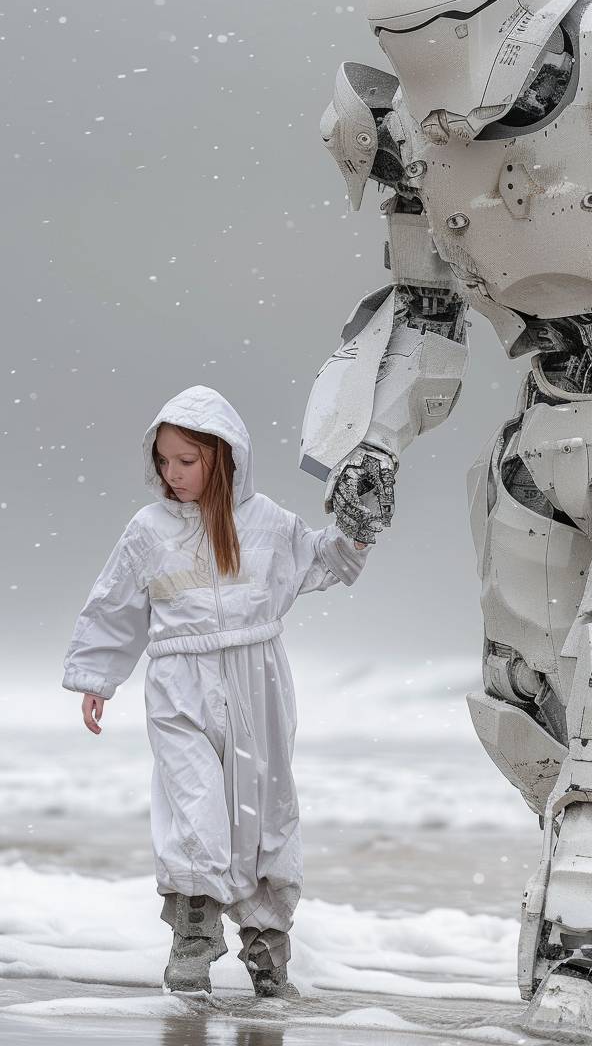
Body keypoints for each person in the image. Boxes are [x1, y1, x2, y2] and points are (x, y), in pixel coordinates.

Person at [62, 385, 371, 998]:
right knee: (193, 807)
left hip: (259, 681)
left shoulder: (268, 523)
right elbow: (116, 603)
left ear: (223, 458)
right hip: (179, 684)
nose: (172, 474)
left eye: (186, 461)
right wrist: (98, 677)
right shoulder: (147, 529)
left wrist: (360, 523)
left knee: (264, 816)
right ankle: (193, 936)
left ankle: (266, 947)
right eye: (164, 461)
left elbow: (325, 561)